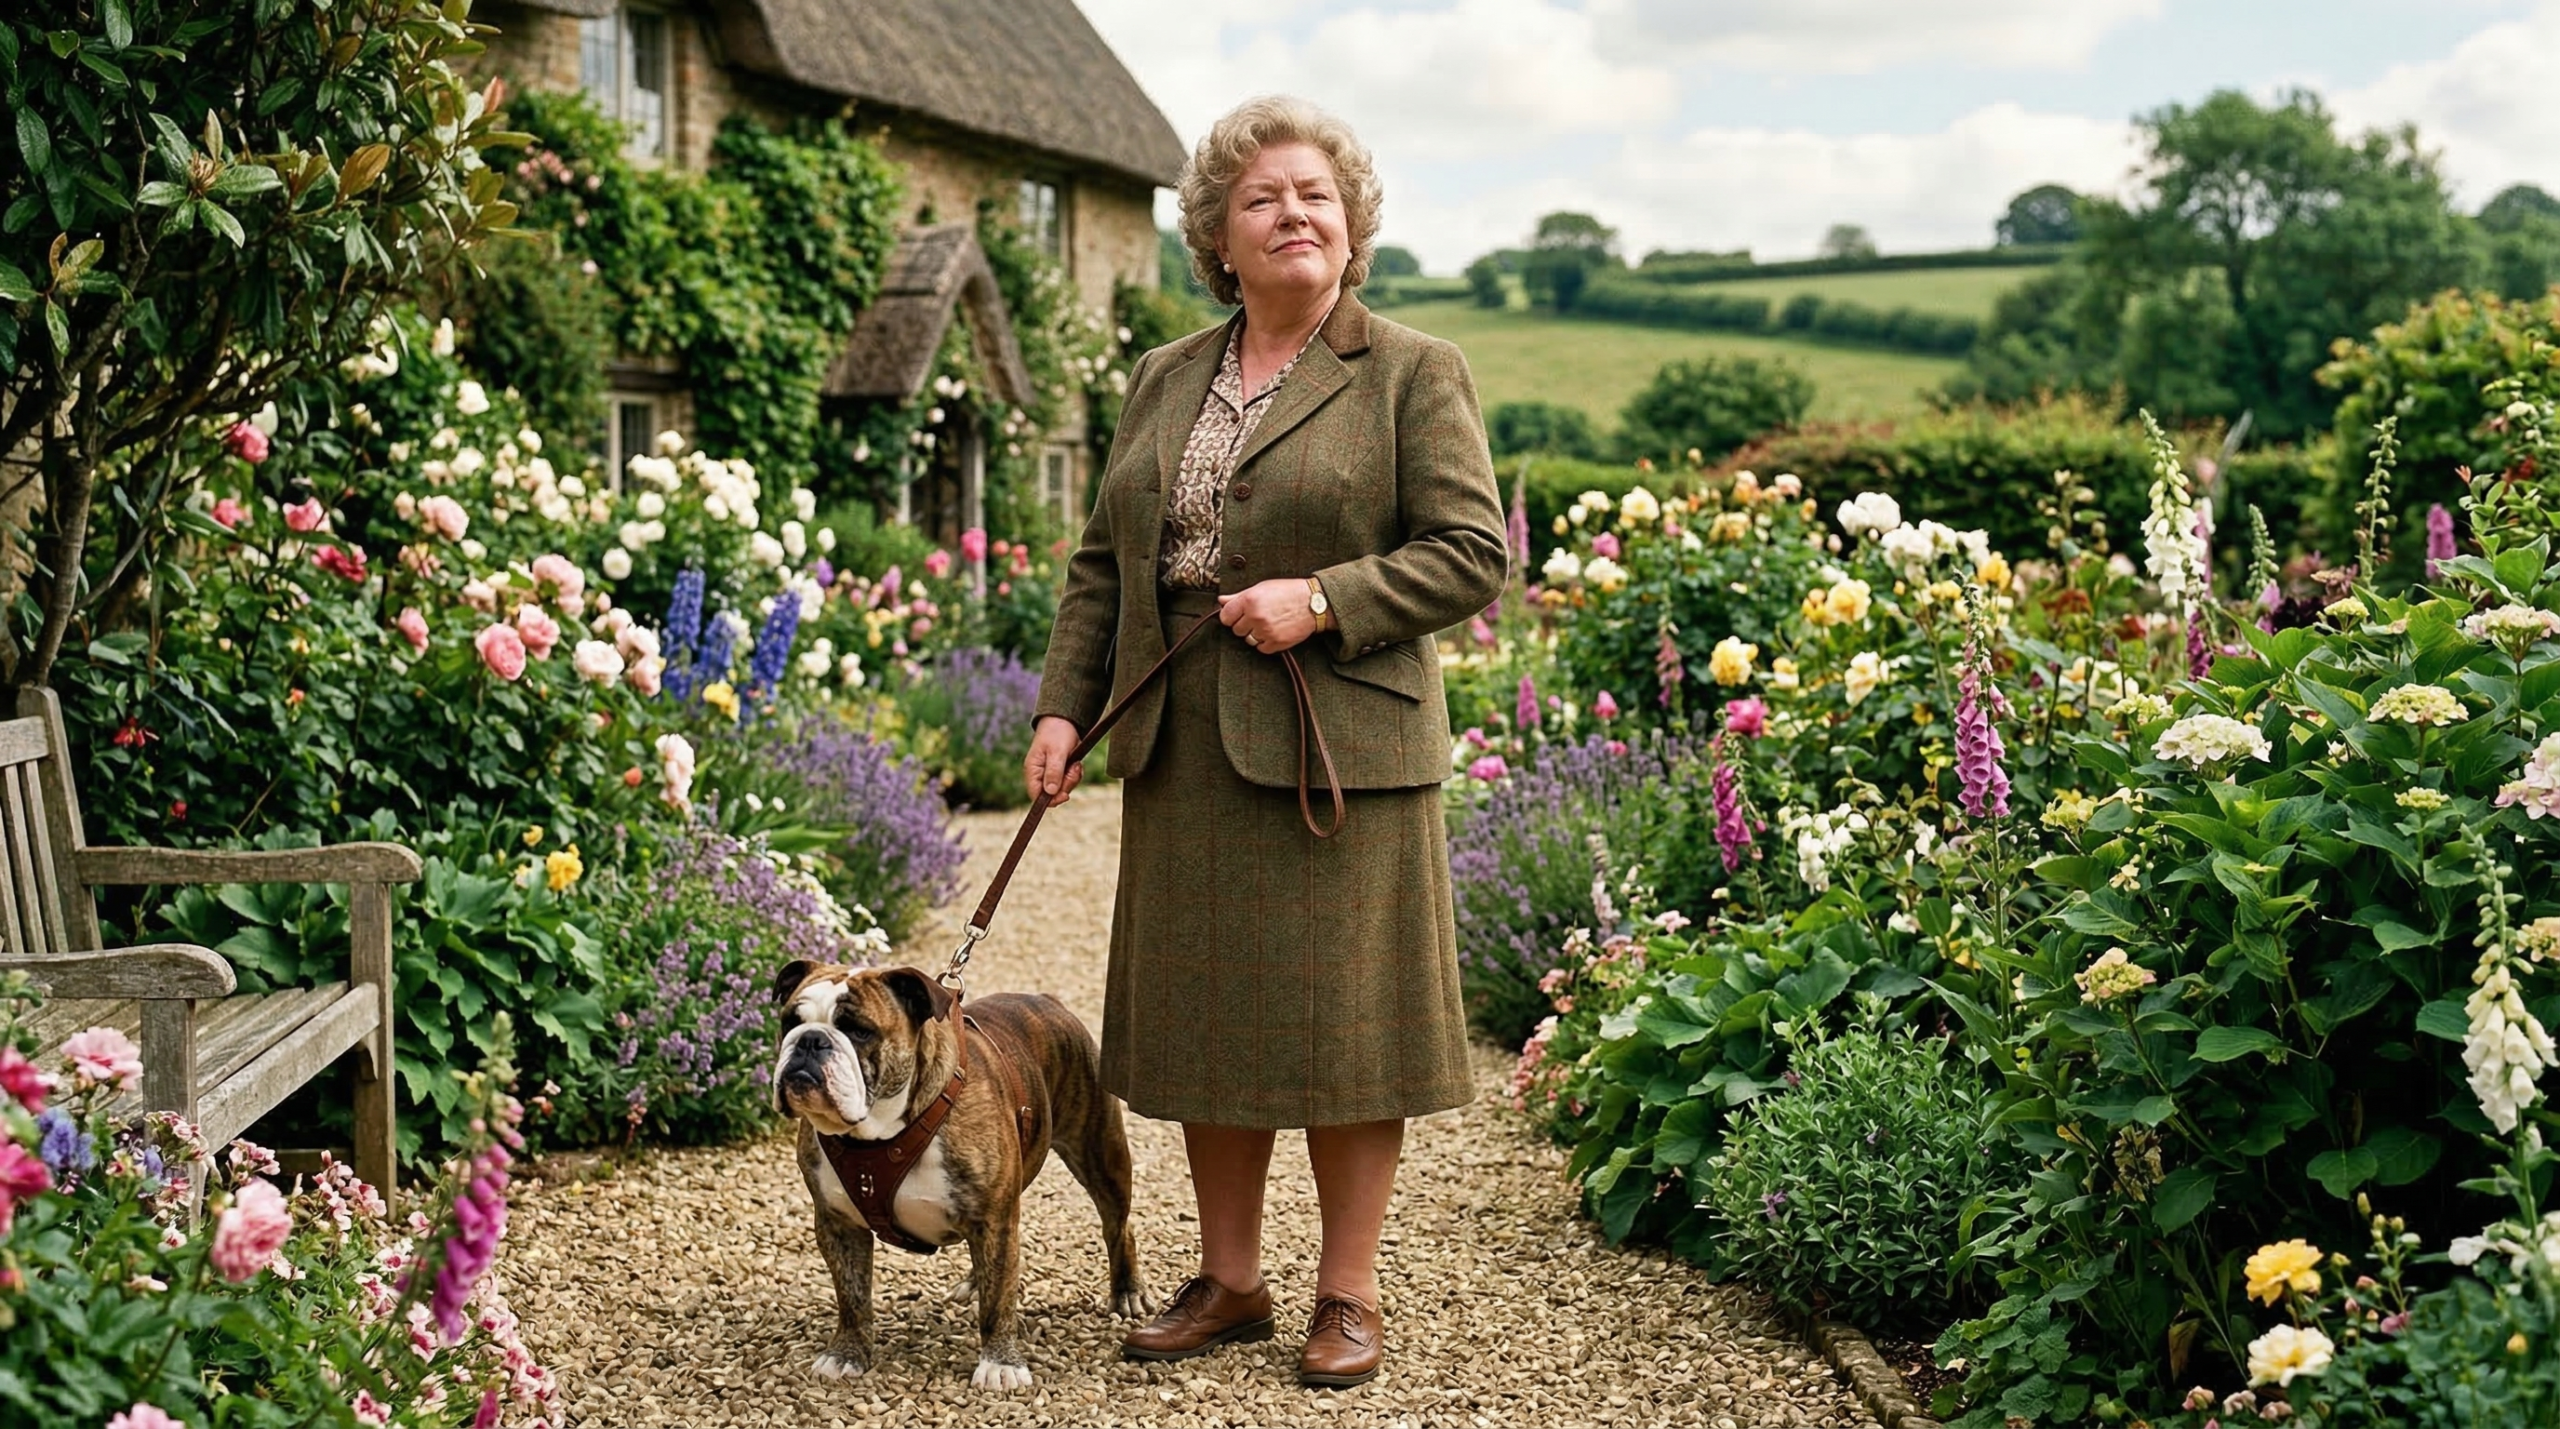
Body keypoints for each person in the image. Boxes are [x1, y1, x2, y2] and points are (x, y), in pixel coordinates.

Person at [1026, 94, 1506, 1389]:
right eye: (1264, 199)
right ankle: (1231, 1280)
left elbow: (1473, 553)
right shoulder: (1163, 376)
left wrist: (1329, 600)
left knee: (1357, 1033)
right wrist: (1067, 707)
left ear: (1352, 226)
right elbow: (1097, 566)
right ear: (1218, 239)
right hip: (1181, 738)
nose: (1296, 214)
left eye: (1317, 197)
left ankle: (1347, 1294)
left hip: (1344, 745)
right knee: (1206, 1029)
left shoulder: (1412, 370)